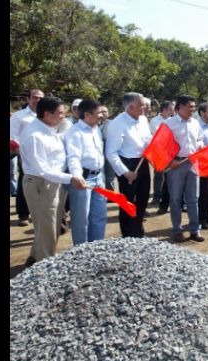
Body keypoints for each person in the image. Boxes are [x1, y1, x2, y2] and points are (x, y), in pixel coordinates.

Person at [20, 96, 88, 267]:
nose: (63, 117)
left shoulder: (50, 129)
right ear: (46, 114)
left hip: (54, 182)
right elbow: (42, 169)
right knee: (48, 228)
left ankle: (35, 258)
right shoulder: (35, 136)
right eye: (59, 113)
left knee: (51, 225)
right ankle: (45, 267)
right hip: (41, 183)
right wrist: (71, 178)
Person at [105, 92, 152, 238]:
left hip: (142, 162)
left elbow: (148, 139)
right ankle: (128, 236)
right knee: (127, 203)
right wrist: (125, 172)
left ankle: (139, 231)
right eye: (142, 105)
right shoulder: (117, 124)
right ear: (131, 107)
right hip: (127, 164)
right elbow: (111, 153)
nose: (145, 107)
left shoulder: (143, 119)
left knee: (143, 199)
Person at [63, 99, 108, 246]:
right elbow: (73, 158)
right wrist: (77, 177)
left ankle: (97, 248)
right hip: (83, 179)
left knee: (99, 216)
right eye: (99, 113)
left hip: (98, 177)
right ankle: (82, 252)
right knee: (81, 220)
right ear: (87, 115)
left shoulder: (96, 129)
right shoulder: (74, 133)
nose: (102, 115)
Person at [165, 95, 205, 242]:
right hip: (176, 164)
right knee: (175, 199)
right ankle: (177, 230)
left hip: (193, 163)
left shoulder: (195, 123)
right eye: (190, 107)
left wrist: (200, 145)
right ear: (180, 107)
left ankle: (195, 230)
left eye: (194, 107)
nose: (192, 110)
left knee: (193, 198)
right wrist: (170, 161)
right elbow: (162, 145)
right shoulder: (169, 124)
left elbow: (200, 139)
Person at [10, 89, 44, 226]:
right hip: (25, 156)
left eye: (41, 98)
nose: (38, 101)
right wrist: (22, 151)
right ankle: (23, 214)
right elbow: (13, 136)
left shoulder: (47, 115)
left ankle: (40, 214)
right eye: (35, 97)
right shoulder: (19, 116)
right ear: (28, 98)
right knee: (24, 183)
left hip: (44, 156)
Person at [149, 100, 175, 207]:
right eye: (171, 109)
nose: (173, 111)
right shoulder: (155, 120)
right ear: (164, 109)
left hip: (170, 151)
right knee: (159, 175)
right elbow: (159, 134)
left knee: (170, 175)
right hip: (158, 152)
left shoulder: (173, 120)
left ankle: (167, 197)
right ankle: (156, 197)